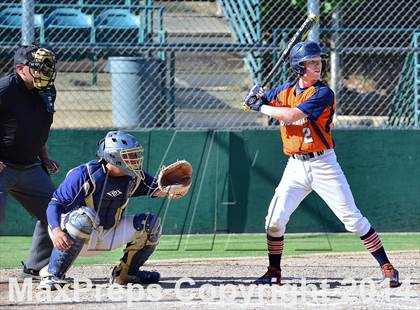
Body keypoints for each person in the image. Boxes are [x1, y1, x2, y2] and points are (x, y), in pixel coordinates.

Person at [243, 40, 400, 288]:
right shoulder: (283, 92)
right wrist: (255, 96)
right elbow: (262, 98)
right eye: (312, 63)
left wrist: (259, 106)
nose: (318, 66)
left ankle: (388, 268)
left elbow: (291, 115)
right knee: (273, 221)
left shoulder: (323, 93)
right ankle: (274, 271)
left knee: (352, 220)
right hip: (295, 166)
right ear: (298, 68)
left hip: (323, 163)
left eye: (319, 62)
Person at [39, 130, 190, 289]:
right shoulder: (84, 175)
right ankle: (53, 274)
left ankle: (126, 274)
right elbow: (55, 204)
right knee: (85, 217)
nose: (136, 159)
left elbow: (158, 189)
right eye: (130, 155)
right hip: (72, 235)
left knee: (151, 224)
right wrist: (56, 231)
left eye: (135, 155)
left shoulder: (134, 177)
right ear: (114, 156)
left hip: (106, 235)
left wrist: (172, 190)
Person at [0, 45, 60, 278]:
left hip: (30, 165)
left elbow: (38, 128)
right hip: (3, 165)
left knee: (56, 213)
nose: (45, 72)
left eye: (48, 67)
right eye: (38, 67)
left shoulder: (47, 90)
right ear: (20, 68)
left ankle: (35, 267)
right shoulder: (5, 89)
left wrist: (44, 157)